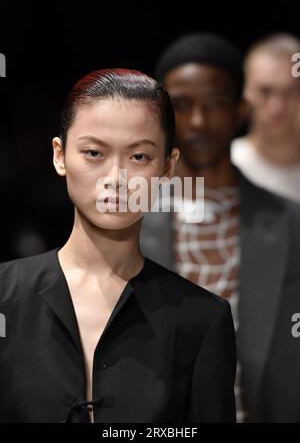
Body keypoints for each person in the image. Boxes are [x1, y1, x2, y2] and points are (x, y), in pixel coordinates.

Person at [0, 68, 236, 423]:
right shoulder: (5, 295)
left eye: (138, 157)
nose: (116, 179)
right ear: (60, 156)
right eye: (94, 153)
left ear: (168, 167)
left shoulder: (201, 321)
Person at [140, 34, 300, 422]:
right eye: (181, 105)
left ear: (241, 109)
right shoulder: (130, 218)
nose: (198, 120)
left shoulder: (290, 223)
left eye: (215, 103)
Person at [231, 33, 300, 202]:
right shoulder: (225, 164)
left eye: (290, 91)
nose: (277, 107)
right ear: (245, 93)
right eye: (265, 91)